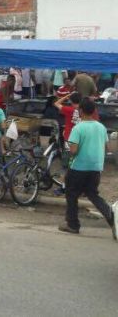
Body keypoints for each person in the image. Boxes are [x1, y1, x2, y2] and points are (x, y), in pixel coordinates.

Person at [58, 98, 116, 238]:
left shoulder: (78, 128)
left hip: (79, 166)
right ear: (94, 111)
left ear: (81, 111)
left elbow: (73, 150)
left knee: (71, 194)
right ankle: (112, 218)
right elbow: (107, 147)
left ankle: (72, 224)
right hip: (95, 167)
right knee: (93, 194)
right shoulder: (101, 127)